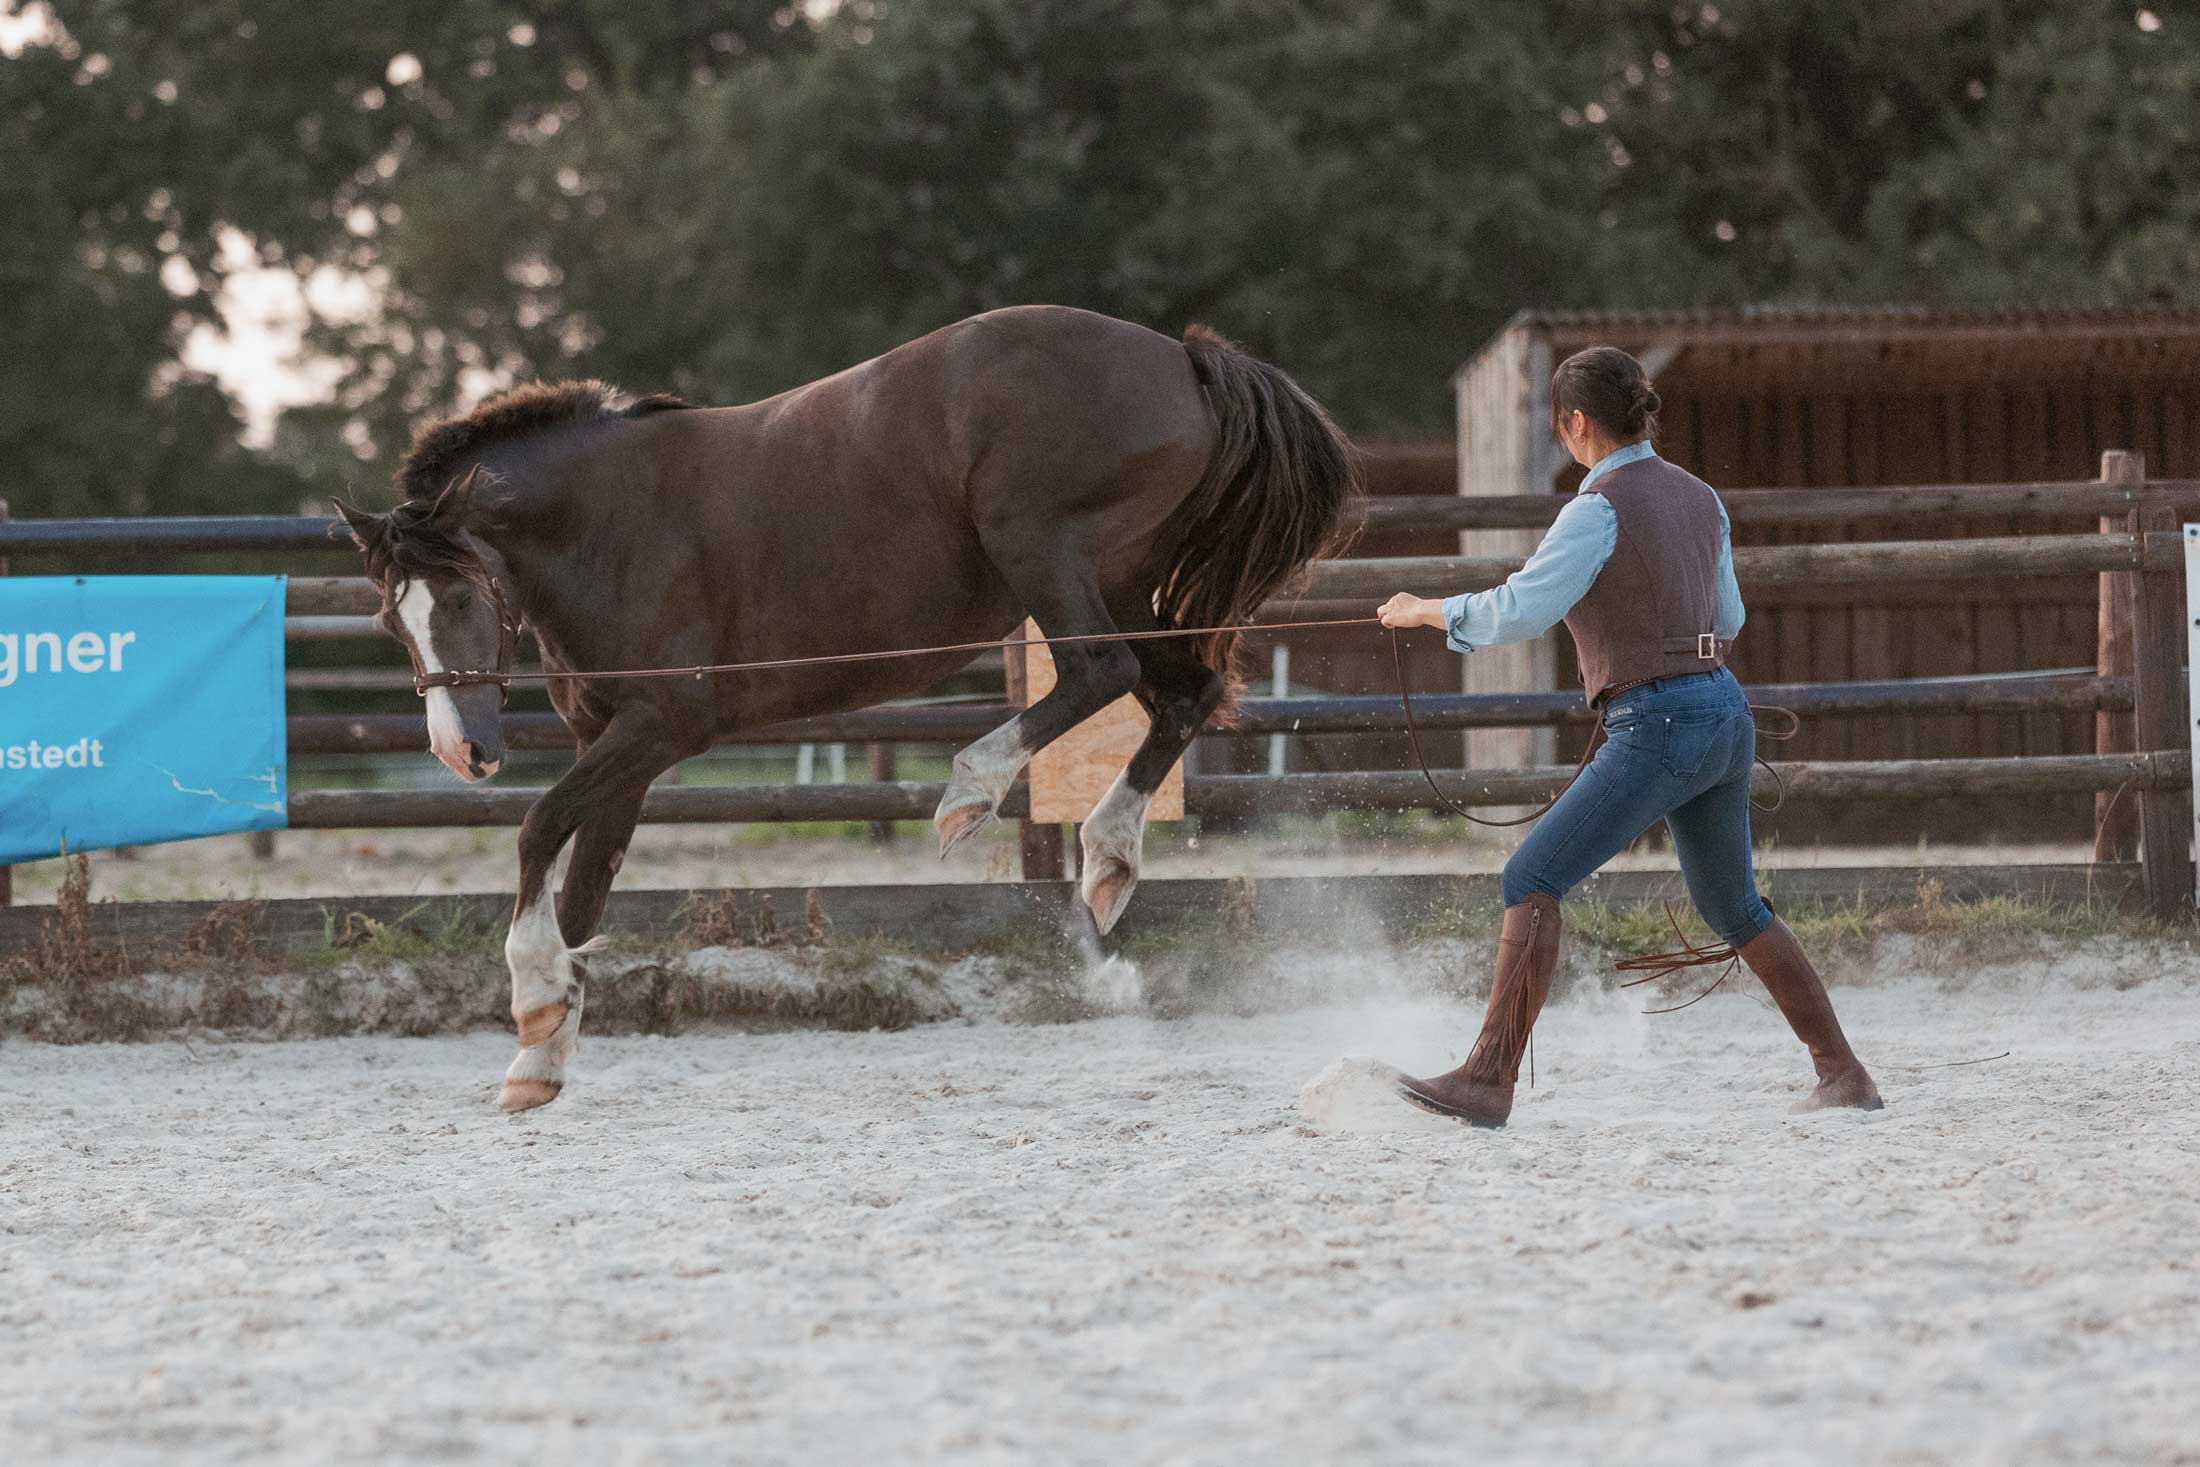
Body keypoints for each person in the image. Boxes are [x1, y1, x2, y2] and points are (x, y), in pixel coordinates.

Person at [1374, 346, 1881, 1127]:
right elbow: (1731, 619)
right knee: (1737, 907)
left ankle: (1486, 1078)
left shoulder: (1597, 508)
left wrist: (1424, 610)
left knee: (1531, 876)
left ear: (1576, 422)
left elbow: (1520, 608)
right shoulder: (1702, 498)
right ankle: (1842, 1071)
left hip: (1658, 723)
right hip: (1724, 713)